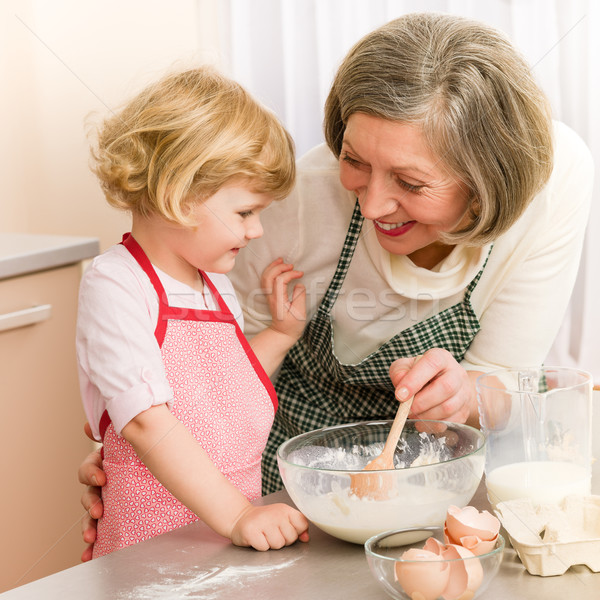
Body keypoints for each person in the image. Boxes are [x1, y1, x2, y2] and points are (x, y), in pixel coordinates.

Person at [79, 12, 593, 550]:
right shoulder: (291, 203)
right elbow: (204, 375)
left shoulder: (556, 186)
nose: (370, 204)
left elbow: (507, 380)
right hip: (284, 496)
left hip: (442, 488)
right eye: (353, 161)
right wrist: (142, 453)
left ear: (490, 182)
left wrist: (466, 396)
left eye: (411, 183)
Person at [77, 66, 309, 558]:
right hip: (152, 549)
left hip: (226, 541)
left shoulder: (216, 286)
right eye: (246, 212)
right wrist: (239, 515)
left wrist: (283, 334)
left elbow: (221, 388)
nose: (257, 231)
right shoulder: (116, 283)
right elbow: (144, 422)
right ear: (179, 193)